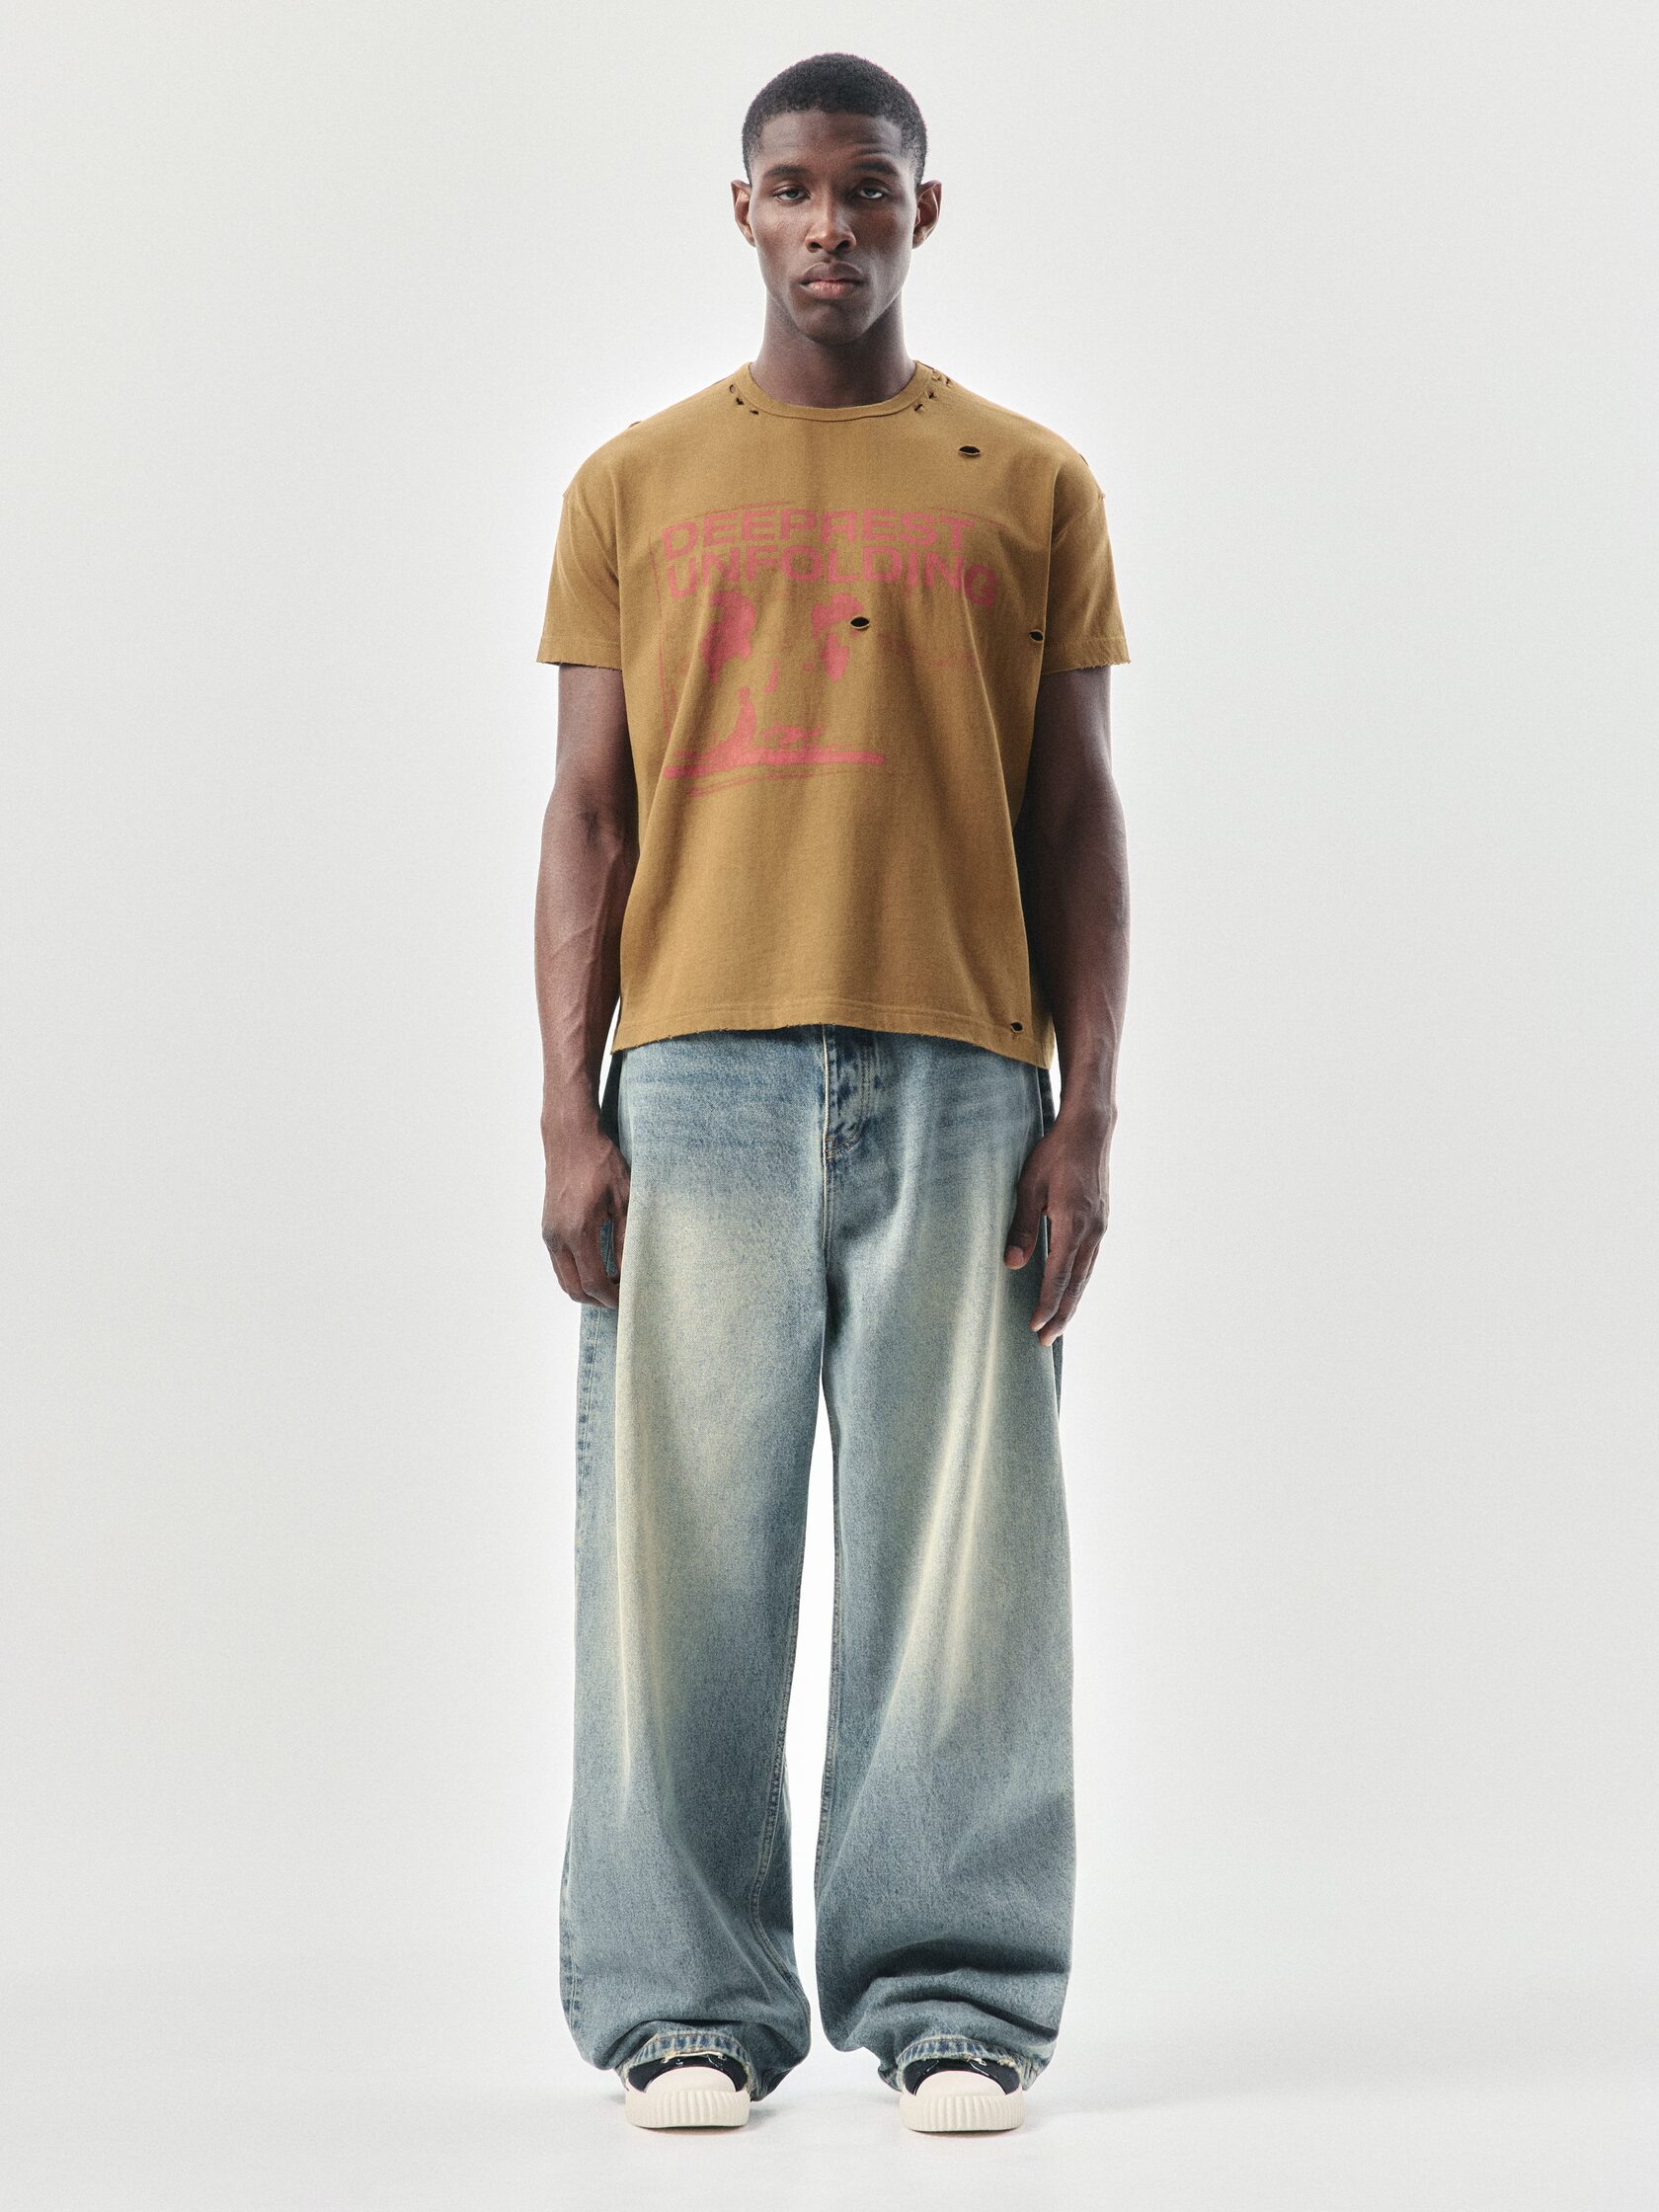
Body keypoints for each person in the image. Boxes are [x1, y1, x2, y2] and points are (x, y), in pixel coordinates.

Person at [532, 50, 1131, 2137]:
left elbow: (1078, 814)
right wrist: (568, 1110)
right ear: (742, 209)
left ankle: (957, 1997)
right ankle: (683, 2004)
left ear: (921, 211)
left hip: (965, 1072)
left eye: (867, 188)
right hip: (694, 1076)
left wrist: (1086, 1113)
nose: (829, 225)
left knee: (961, 1558)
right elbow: (586, 816)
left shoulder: (1027, 481)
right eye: (792, 188)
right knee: (676, 1560)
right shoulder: (633, 485)